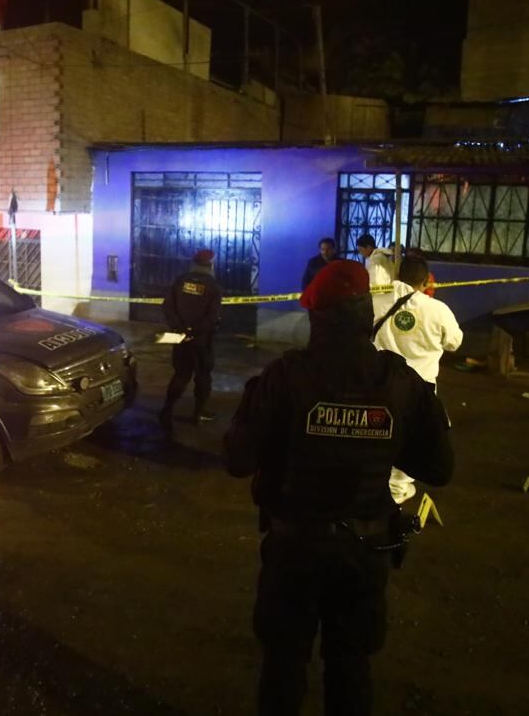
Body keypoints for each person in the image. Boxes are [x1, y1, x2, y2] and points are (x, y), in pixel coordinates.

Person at [225, 260, 454, 716]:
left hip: (294, 548)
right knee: (350, 666)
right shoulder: (400, 381)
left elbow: (237, 460)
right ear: (367, 314)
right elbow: (439, 467)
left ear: (316, 317)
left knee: (284, 663)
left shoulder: (284, 377)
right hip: (365, 551)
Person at [371, 254, 462, 505]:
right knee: (412, 436)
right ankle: (398, 489)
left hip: (381, 382)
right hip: (420, 388)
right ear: (426, 281)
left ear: (398, 275)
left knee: (379, 431)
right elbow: (454, 342)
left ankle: (374, 481)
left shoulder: (377, 300)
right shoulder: (438, 310)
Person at [159, 249, 223, 434]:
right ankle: (198, 414)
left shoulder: (180, 280)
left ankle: (167, 410)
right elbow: (213, 316)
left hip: (180, 338)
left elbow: (168, 306)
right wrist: (194, 331)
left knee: (181, 374)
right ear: (211, 264)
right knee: (203, 377)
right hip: (202, 341)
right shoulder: (213, 286)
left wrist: (180, 328)